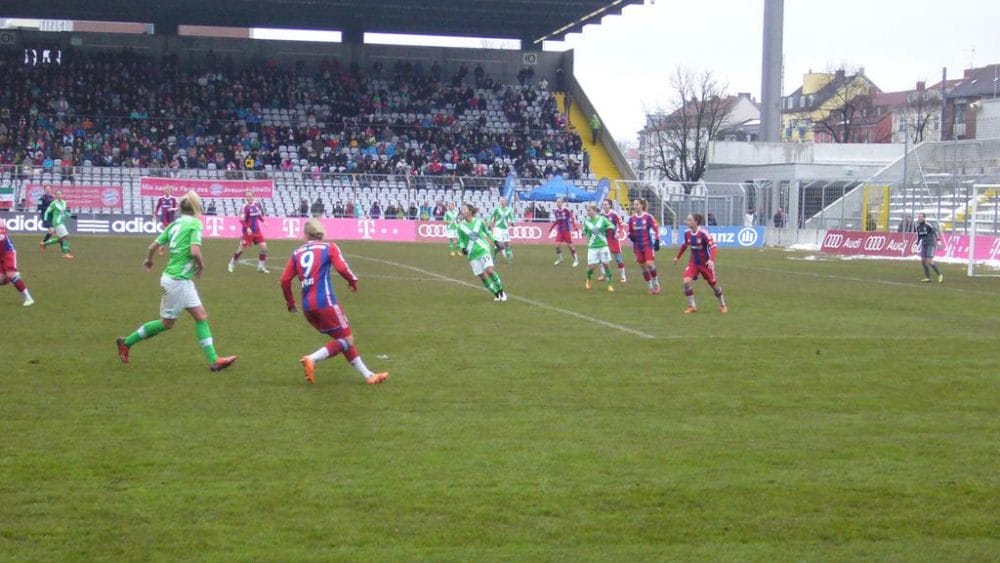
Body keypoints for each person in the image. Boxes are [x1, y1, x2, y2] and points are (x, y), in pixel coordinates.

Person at [115, 191, 237, 372]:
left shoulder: (174, 224)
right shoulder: (195, 224)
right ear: (196, 208)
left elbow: (152, 246)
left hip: (180, 281)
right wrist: (201, 266)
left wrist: (149, 260)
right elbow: (195, 251)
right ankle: (127, 342)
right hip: (177, 281)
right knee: (166, 324)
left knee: (201, 316)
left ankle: (214, 360)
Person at [280, 219, 388, 385]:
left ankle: (368, 375)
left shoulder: (297, 253)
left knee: (342, 339)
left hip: (307, 307)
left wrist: (290, 303)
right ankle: (312, 359)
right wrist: (352, 281)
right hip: (326, 303)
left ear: (306, 235)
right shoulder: (329, 247)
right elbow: (342, 268)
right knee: (347, 340)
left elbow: (284, 280)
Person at [674, 213, 727, 314]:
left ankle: (723, 305)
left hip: (705, 264)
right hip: (693, 263)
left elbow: (714, 247)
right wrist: (677, 257)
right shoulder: (687, 233)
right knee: (686, 282)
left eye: (690, 220)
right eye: (687, 220)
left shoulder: (704, 234)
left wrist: (711, 260)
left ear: (696, 222)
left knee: (714, 285)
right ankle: (692, 306)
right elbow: (685, 245)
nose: (687, 222)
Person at [456, 204, 507, 302]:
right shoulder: (460, 227)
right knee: (482, 277)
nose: (462, 211)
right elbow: (460, 240)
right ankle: (496, 294)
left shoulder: (479, 222)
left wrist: (495, 241)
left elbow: (487, 232)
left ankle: (501, 291)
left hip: (483, 249)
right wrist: (463, 248)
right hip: (472, 254)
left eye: (464, 209)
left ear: (470, 211)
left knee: (490, 271)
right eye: (461, 210)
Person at [228, 191, 269, 273]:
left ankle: (260, 267)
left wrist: (263, 221)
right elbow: (241, 220)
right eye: (247, 196)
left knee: (264, 247)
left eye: (250, 196)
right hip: (247, 232)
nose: (248, 198)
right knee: (241, 249)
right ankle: (231, 263)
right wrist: (247, 228)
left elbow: (258, 215)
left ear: (253, 196)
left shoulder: (257, 204)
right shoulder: (244, 207)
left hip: (257, 230)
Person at [627, 198, 661, 294]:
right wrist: (631, 236)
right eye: (634, 204)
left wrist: (657, 240)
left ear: (642, 206)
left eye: (637, 204)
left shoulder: (648, 217)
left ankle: (656, 284)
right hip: (637, 247)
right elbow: (629, 232)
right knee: (643, 267)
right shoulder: (631, 219)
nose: (635, 206)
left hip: (647, 245)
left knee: (650, 264)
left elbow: (656, 228)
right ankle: (650, 287)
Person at [581, 204, 616, 292]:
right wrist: (583, 233)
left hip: (603, 245)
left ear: (594, 210)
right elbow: (584, 231)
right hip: (592, 247)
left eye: (589, 210)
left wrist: (606, 229)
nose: (588, 212)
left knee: (606, 265)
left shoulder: (602, 219)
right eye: (587, 210)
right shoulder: (586, 221)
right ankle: (588, 279)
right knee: (591, 267)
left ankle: (610, 285)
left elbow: (612, 226)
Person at [0, 222, 35, 306]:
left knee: (10, 274)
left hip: (8, 252)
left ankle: (28, 298)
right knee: (1, 280)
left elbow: (3, 232)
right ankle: (14, 277)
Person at [601, 198, 627, 283]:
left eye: (606, 204)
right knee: (603, 259)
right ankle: (606, 275)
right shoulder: (601, 215)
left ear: (610, 205)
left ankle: (623, 276)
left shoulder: (614, 214)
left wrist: (618, 232)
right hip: (605, 240)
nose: (604, 206)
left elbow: (620, 224)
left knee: (618, 259)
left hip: (614, 239)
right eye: (603, 204)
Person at [41, 190, 73, 259]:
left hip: (62, 222)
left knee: (60, 239)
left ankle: (44, 244)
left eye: (60, 194)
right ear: (55, 196)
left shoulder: (64, 202)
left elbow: (64, 212)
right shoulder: (54, 203)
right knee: (65, 236)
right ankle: (66, 253)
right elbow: (47, 211)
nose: (59, 195)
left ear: (62, 195)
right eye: (57, 194)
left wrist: (71, 216)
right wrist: (45, 220)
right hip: (57, 222)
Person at [549, 197, 579, 267]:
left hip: (566, 230)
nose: (558, 203)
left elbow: (571, 218)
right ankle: (560, 259)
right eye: (557, 202)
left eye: (559, 202)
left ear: (562, 203)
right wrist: (552, 227)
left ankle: (576, 260)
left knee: (570, 246)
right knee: (557, 246)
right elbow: (557, 221)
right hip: (559, 230)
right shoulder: (556, 211)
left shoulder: (566, 210)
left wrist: (574, 226)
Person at [915, 213, 944, 283]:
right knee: (923, 260)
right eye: (918, 217)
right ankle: (927, 277)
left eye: (921, 217)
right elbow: (919, 237)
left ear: (924, 218)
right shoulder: (918, 227)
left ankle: (940, 275)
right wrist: (917, 243)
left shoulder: (928, 225)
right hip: (924, 245)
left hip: (930, 244)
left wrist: (939, 242)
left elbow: (936, 232)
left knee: (929, 261)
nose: (919, 218)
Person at [489, 196, 516, 264]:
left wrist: (513, 222)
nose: (503, 202)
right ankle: (494, 255)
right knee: (499, 245)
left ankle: (508, 258)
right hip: (498, 229)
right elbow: (491, 216)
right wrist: (489, 224)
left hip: (505, 229)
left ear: (506, 202)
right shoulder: (497, 209)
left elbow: (512, 217)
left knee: (507, 244)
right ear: (500, 202)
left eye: (504, 201)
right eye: (502, 201)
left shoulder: (509, 210)